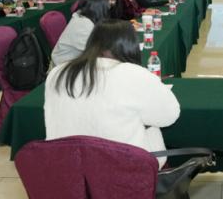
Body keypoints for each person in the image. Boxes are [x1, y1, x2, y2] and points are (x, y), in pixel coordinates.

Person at [44, 19, 179, 166]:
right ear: (131, 46)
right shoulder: (135, 73)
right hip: (125, 167)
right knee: (151, 128)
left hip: (66, 166)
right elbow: (168, 116)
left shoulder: (57, 72)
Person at [51, 0, 115, 66]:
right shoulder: (83, 25)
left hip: (76, 60)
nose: (109, 6)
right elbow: (98, 52)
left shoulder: (85, 16)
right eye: (107, 5)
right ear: (99, 8)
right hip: (63, 65)